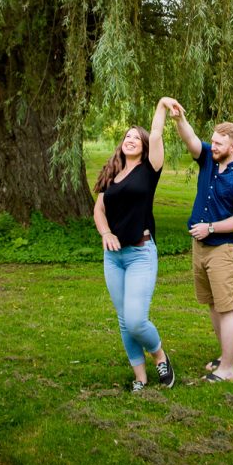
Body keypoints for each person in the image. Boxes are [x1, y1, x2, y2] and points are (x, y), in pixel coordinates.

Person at [164, 98, 233, 381]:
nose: (213, 146)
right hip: (201, 248)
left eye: (219, 143)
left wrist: (211, 228)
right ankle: (227, 355)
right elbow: (191, 139)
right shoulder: (207, 158)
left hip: (225, 249)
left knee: (227, 308)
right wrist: (179, 119)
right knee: (213, 304)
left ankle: (227, 369)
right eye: (213, 141)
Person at [93, 99, 175, 392]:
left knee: (136, 319)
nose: (130, 140)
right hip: (113, 257)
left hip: (141, 252)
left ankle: (159, 356)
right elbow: (99, 210)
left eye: (135, 138)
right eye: (126, 136)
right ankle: (139, 378)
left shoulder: (149, 170)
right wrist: (105, 233)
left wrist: (162, 106)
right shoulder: (111, 171)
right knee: (124, 320)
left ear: (143, 146)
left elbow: (155, 133)